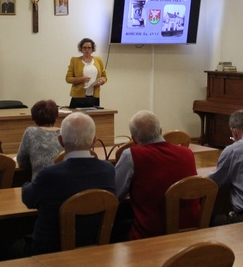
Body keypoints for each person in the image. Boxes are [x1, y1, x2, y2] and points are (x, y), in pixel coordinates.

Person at [21, 112, 115, 255]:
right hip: (95, 249)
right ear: (94, 141)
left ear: (60, 141)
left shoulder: (49, 174)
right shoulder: (108, 170)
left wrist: (27, 184)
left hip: (50, 253)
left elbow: (28, 199)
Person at [114, 110, 199, 239]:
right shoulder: (187, 153)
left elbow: (115, 195)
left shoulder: (131, 155)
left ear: (134, 139)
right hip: (190, 231)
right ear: (160, 131)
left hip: (149, 234)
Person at [16, 99, 64, 179]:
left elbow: (21, 162)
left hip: (40, 184)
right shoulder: (65, 132)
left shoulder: (30, 132)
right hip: (64, 183)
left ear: (33, 117)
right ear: (56, 116)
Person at [65, 37, 107, 108]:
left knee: (94, 117)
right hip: (78, 96)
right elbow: (68, 79)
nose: (87, 50)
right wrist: (81, 79)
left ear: (92, 49)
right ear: (81, 49)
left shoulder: (98, 60)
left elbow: (104, 77)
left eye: (89, 48)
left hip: (94, 96)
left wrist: (102, 81)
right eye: (84, 47)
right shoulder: (75, 61)